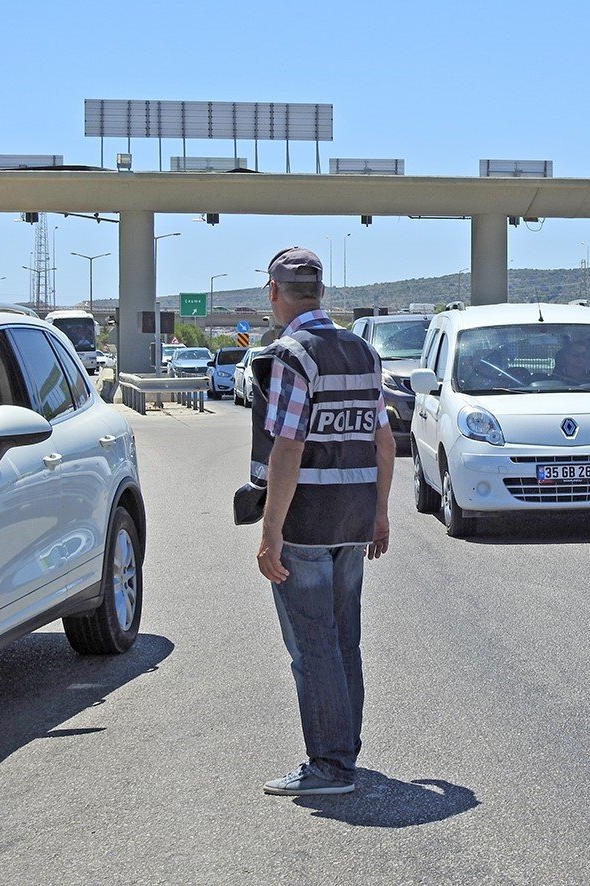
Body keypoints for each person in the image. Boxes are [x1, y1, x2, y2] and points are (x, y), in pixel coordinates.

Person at [250, 246, 395, 797]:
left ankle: (331, 765)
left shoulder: (292, 355)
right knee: (344, 641)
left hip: (307, 523)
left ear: (275, 294)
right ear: (320, 293)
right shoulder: (362, 351)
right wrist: (379, 513)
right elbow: (382, 440)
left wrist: (270, 532)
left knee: (313, 646)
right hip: (354, 519)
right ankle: (344, 752)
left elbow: (288, 447)